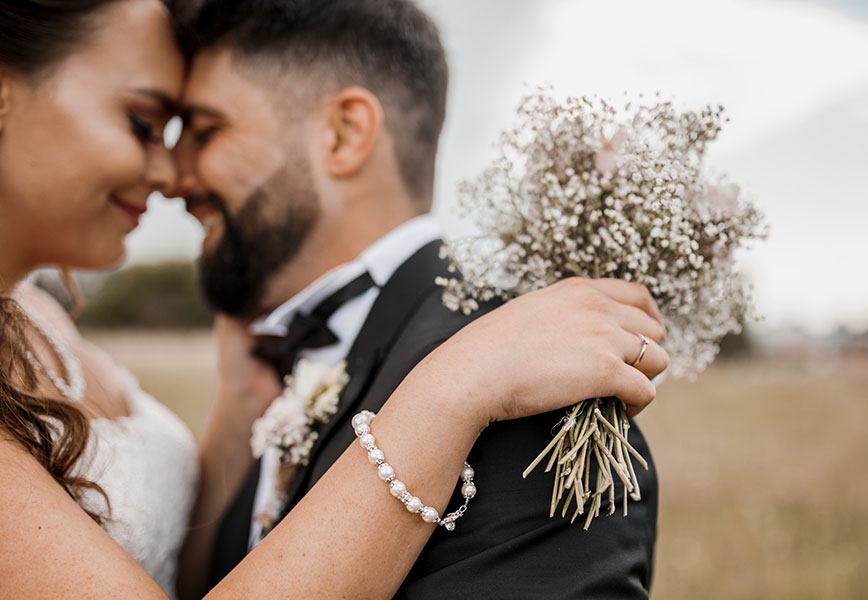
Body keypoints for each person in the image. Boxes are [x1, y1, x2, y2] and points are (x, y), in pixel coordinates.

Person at [0, 1, 667, 599]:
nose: (175, 175)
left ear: (344, 134)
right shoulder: (481, 371)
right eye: (147, 124)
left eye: (203, 129)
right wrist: (453, 389)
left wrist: (235, 410)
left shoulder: (541, 412)